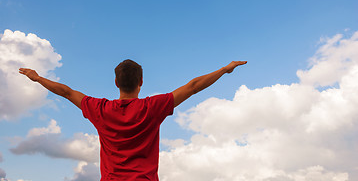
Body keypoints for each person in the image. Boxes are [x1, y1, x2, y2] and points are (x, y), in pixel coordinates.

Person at [19, 59, 247, 180]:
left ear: (116, 83)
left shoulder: (100, 109)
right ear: (141, 82)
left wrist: (38, 78)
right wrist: (224, 70)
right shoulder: (152, 108)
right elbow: (193, 87)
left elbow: (67, 92)